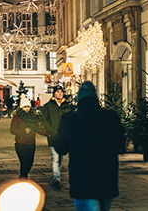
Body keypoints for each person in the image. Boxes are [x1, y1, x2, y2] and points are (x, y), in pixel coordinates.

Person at [54, 81, 124, 211]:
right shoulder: (111, 118)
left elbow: (60, 147)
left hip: (82, 179)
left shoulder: (70, 119)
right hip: (107, 178)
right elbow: (120, 144)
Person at [10, 95, 48, 178]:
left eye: (28, 106)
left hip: (31, 143)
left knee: (30, 161)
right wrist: (24, 131)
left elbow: (37, 128)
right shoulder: (17, 117)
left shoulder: (33, 116)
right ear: (21, 107)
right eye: (25, 107)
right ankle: (23, 177)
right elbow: (12, 130)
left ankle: (23, 176)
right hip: (20, 143)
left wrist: (48, 133)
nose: (27, 108)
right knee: (24, 161)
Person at [41, 85, 71, 189]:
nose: (60, 93)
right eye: (57, 92)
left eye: (61, 92)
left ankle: (56, 175)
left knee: (61, 158)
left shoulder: (66, 106)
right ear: (54, 94)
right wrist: (50, 131)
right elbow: (44, 120)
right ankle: (56, 178)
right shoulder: (48, 106)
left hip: (64, 137)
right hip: (53, 136)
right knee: (55, 158)